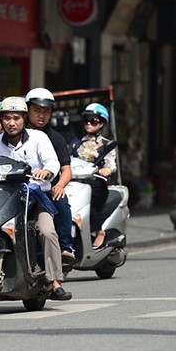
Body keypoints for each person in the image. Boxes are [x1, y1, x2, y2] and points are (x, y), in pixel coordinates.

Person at [0, 96, 72, 301]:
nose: (11, 122)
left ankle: (55, 282)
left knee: (46, 231)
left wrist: (46, 172)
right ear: (1, 120)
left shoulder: (39, 138)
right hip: (1, 198)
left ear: (24, 119)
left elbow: (52, 162)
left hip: (34, 197)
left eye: (16, 118)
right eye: (7, 118)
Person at [25, 87, 74, 264]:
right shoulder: (16, 135)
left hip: (46, 190)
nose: (41, 115)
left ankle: (66, 247)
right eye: (37, 110)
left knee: (61, 202)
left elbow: (66, 169)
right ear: (27, 110)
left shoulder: (56, 138)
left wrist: (59, 185)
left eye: (46, 111)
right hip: (19, 189)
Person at [69, 103, 117, 249]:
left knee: (87, 203)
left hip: (96, 183)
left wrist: (106, 170)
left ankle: (99, 231)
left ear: (101, 123)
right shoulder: (75, 144)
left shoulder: (106, 144)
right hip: (76, 182)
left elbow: (111, 165)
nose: (89, 124)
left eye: (94, 121)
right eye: (86, 120)